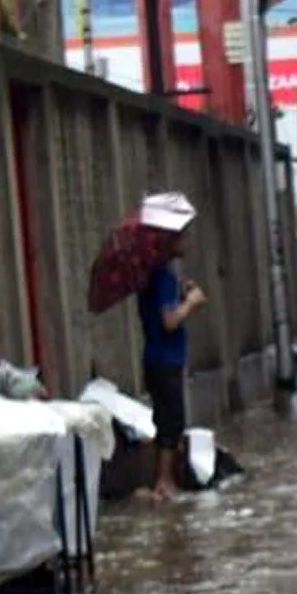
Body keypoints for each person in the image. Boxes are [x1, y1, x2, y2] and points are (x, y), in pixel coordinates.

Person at [135, 191, 205, 502]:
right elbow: (169, 321)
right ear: (169, 238)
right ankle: (163, 483)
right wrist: (191, 303)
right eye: (183, 235)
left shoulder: (153, 275)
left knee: (166, 420)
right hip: (165, 360)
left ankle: (162, 480)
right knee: (171, 422)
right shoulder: (162, 275)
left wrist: (180, 297)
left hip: (156, 359)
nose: (187, 240)